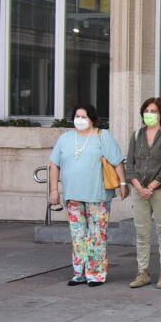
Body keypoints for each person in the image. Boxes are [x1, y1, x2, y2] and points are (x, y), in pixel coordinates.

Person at [48, 105, 128, 287]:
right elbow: (54, 164)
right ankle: (79, 273)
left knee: (96, 234)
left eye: (84, 116)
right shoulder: (65, 138)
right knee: (78, 235)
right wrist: (54, 190)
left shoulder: (102, 136)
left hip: (97, 195)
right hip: (73, 195)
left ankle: (95, 273)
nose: (80, 119)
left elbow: (117, 161)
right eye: (77, 116)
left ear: (92, 119)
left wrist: (123, 184)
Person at [126, 98, 161, 289]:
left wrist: (152, 186)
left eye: (154, 111)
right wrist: (139, 187)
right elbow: (130, 164)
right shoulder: (136, 135)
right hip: (139, 190)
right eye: (147, 110)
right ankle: (143, 272)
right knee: (142, 233)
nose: (150, 114)